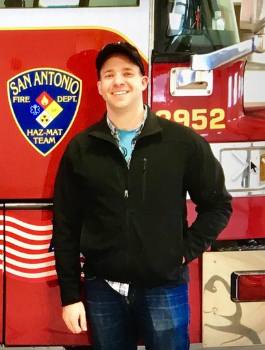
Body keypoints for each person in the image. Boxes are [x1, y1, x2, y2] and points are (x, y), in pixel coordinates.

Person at [52, 42, 232, 350]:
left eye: (127, 73)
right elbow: (65, 225)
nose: (118, 81)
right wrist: (70, 297)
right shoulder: (81, 149)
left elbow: (218, 205)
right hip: (103, 290)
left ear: (144, 82)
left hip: (164, 289)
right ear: (99, 86)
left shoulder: (182, 142)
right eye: (109, 75)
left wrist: (183, 251)